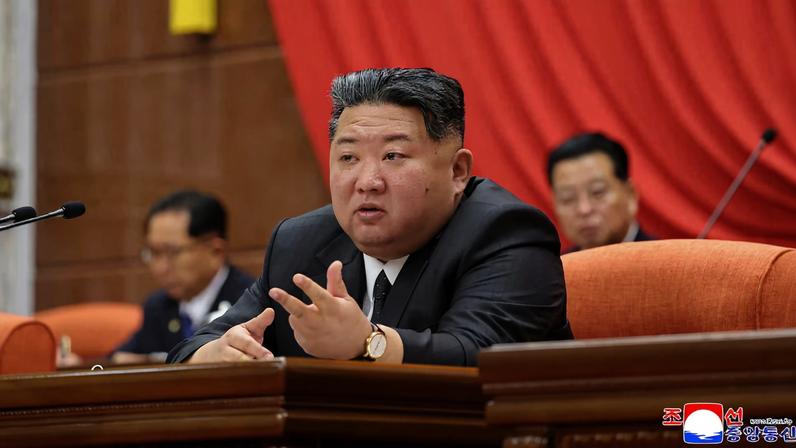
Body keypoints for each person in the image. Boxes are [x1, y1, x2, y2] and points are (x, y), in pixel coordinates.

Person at [168, 68, 572, 367]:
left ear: (457, 172)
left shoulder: (506, 234)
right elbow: (194, 346)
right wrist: (214, 354)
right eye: (348, 158)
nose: (367, 181)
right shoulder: (302, 242)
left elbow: (479, 359)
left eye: (393, 156)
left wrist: (368, 342)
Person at [111, 190, 254, 364]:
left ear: (216, 252)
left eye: (173, 252)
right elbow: (120, 358)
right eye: (154, 253)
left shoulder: (250, 302)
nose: (160, 268)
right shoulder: (158, 307)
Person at [547, 132, 655, 253]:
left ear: (630, 195)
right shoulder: (557, 268)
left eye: (597, 192)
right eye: (568, 198)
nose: (584, 210)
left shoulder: (666, 263)